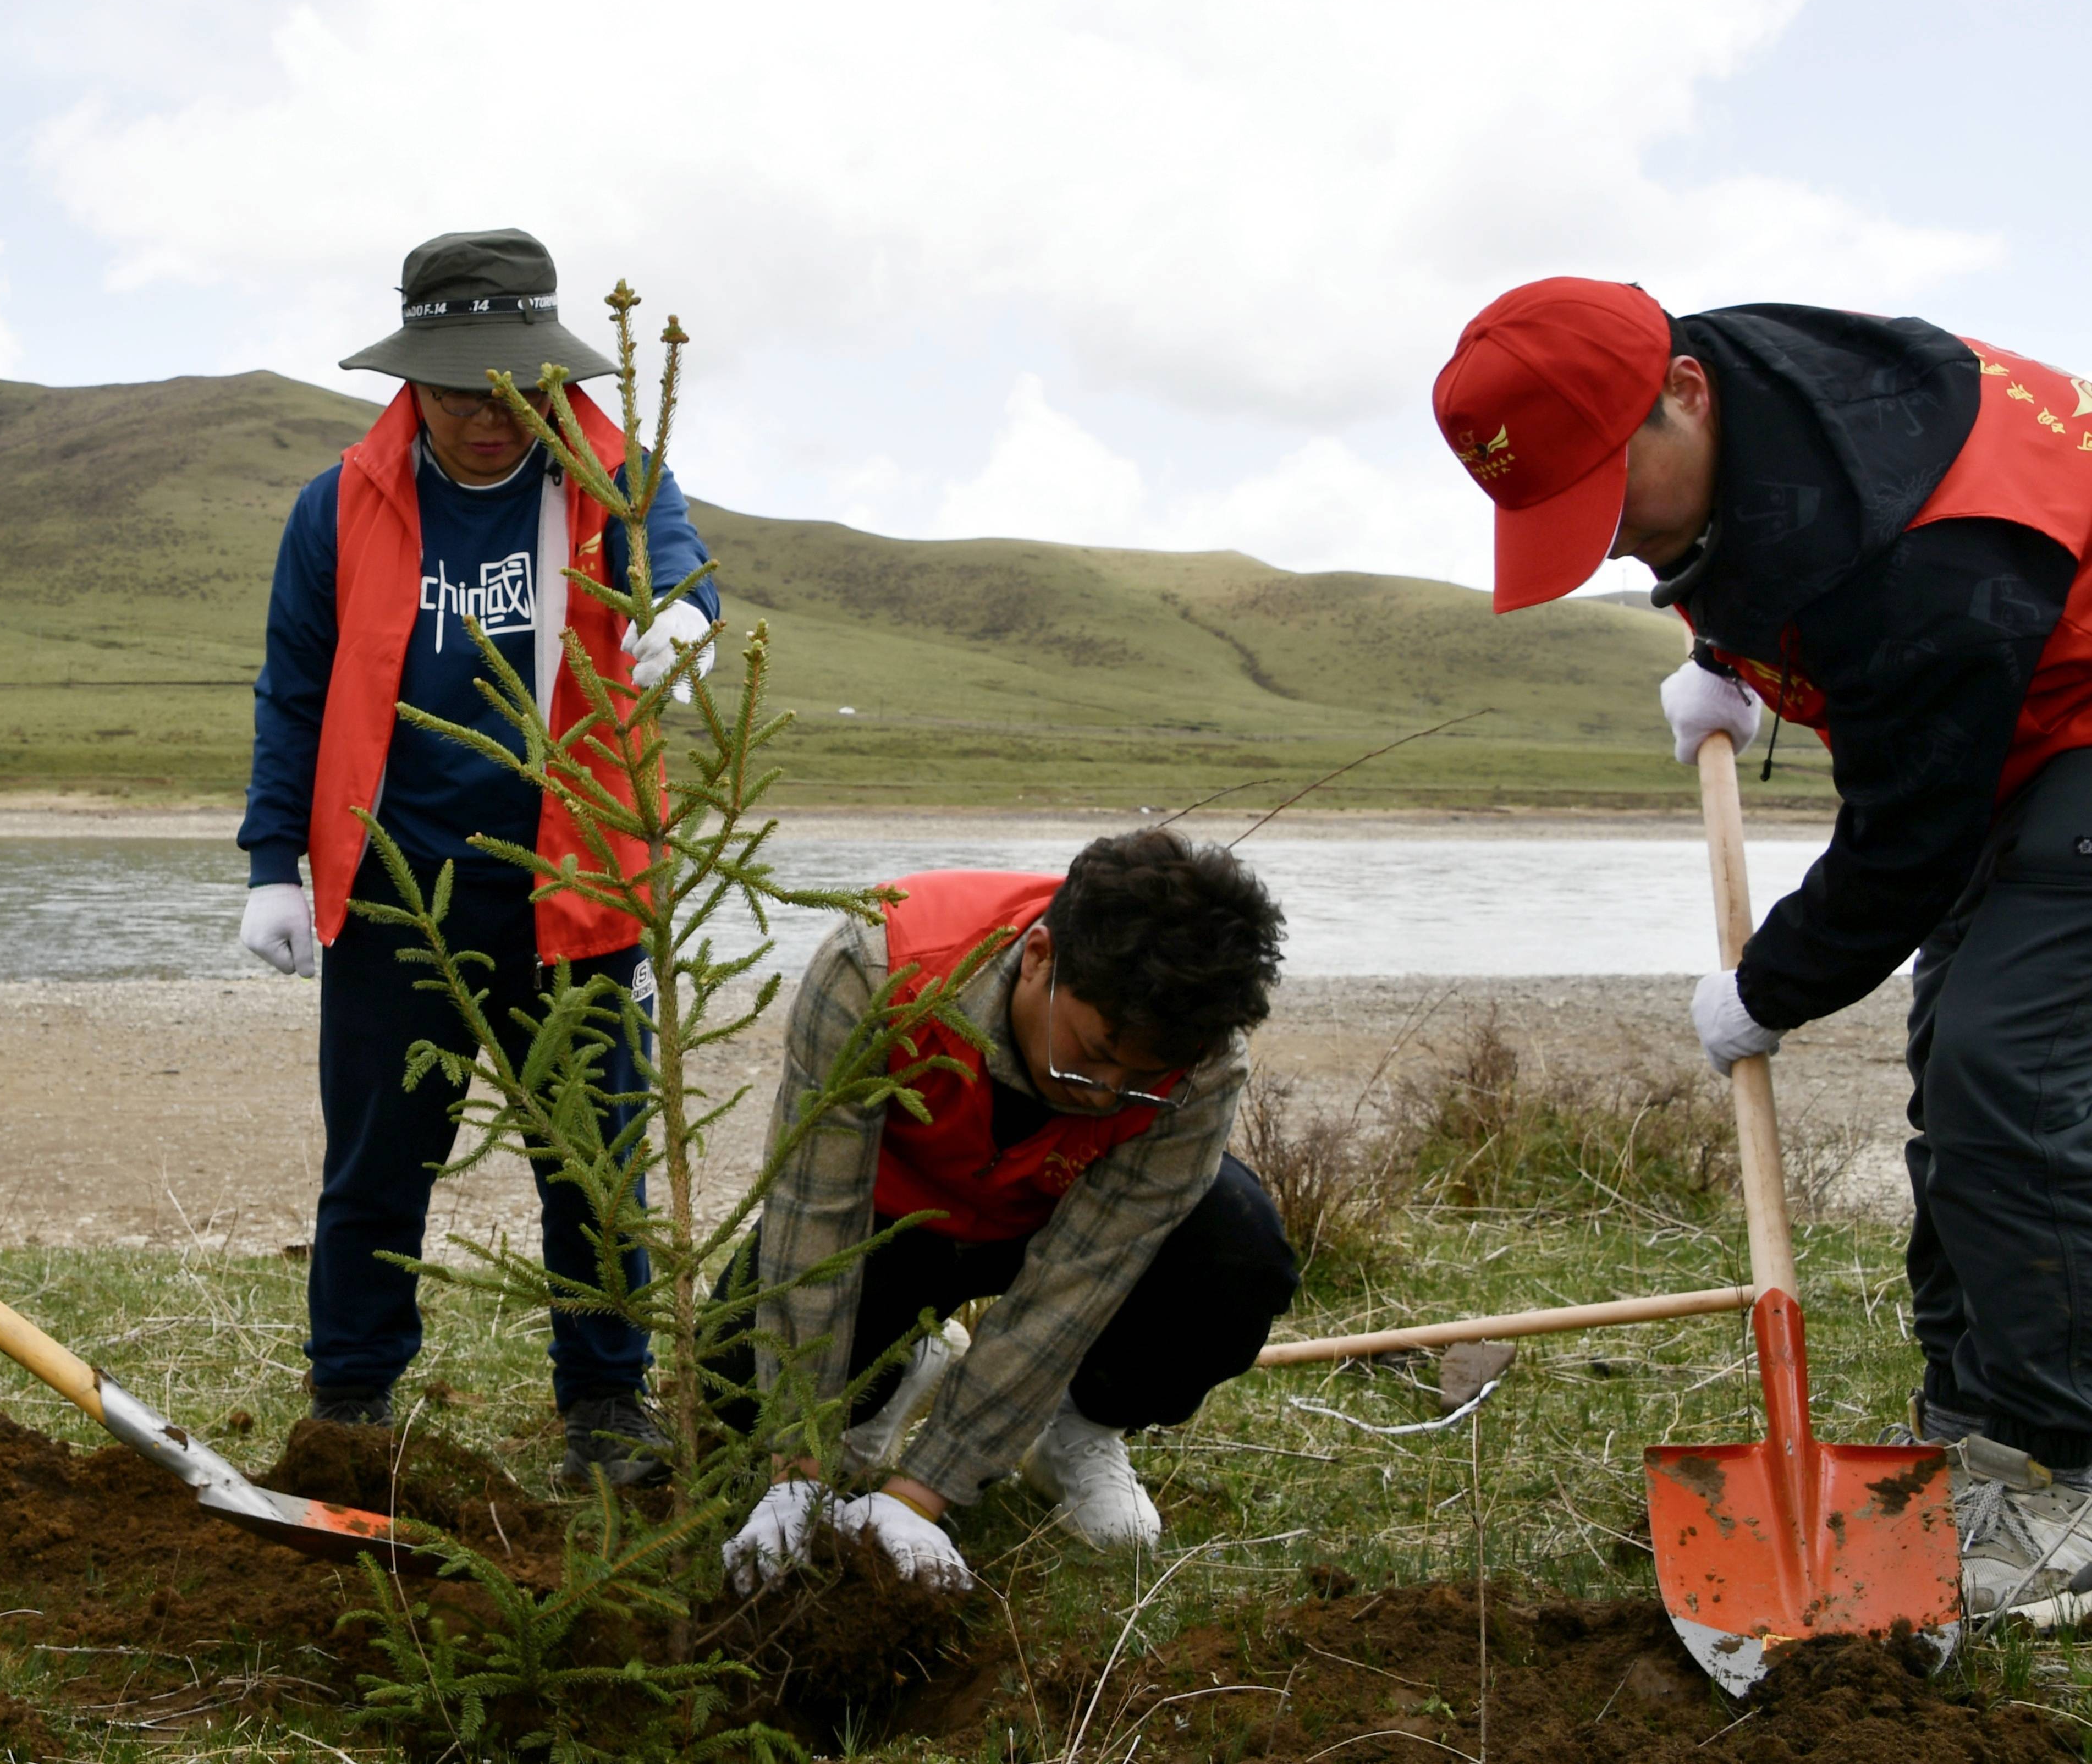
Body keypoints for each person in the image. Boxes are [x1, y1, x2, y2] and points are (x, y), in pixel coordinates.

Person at [1437, 277, 2092, 1620]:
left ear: (1682, 396)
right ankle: (1973, 1427)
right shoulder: (1728, 389)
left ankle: (2060, 1475)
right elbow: (1739, 539)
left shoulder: (1937, 549)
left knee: (2005, 1080)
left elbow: (1908, 840)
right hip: (1996, 726)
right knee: (1954, 1088)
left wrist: (1769, 986)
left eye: (1608, 505)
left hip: (2064, 726)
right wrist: (1732, 653)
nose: (1614, 546)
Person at [236, 228, 720, 1486]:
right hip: (399, 891)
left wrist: (682, 619)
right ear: (414, 383)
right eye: (456, 393)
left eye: (509, 389)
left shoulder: (617, 477)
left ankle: (607, 1413)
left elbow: (675, 563)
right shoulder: (339, 505)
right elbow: (293, 690)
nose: (486, 419)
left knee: (595, 1160)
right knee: (377, 1163)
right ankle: (346, 1402)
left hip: (581, 888)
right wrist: (271, 864)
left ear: (548, 373)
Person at [719, 829, 1296, 1592]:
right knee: (729, 1385)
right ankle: (903, 1362)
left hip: (1049, 1220)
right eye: (1091, 1052)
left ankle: (1075, 1428)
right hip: (894, 1223)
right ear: (1040, 958)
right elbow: (812, 1211)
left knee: (1238, 1247)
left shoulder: (1200, 1066)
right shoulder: (877, 966)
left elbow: (1075, 1285)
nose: (1101, 1092)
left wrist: (917, 1497)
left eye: (1139, 1076)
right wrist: (794, 1467)